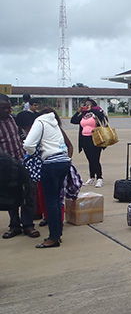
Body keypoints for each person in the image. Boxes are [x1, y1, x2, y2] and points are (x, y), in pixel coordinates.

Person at [24, 106, 71, 248]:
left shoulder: (39, 122)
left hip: (50, 164)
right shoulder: (54, 123)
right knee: (57, 200)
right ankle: (58, 233)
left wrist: (33, 153)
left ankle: (53, 237)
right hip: (63, 162)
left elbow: (28, 144)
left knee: (50, 201)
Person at [0, 94, 39, 240]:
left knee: (29, 193)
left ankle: (28, 225)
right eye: (3, 108)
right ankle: (14, 226)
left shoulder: (13, 120)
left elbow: (22, 136)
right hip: (7, 168)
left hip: (23, 162)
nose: (7, 111)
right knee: (11, 196)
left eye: (8, 108)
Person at [70, 98, 106, 188]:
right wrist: (78, 112)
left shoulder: (97, 111)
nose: (87, 106)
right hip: (84, 139)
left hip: (95, 138)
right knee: (90, 159)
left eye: (89, 104)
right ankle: (91, 177)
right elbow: (73, 120)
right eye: (85, 104)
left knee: (95, 159)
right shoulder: (84, 114)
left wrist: (92, 110)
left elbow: (102, 116)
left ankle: (99, 178)